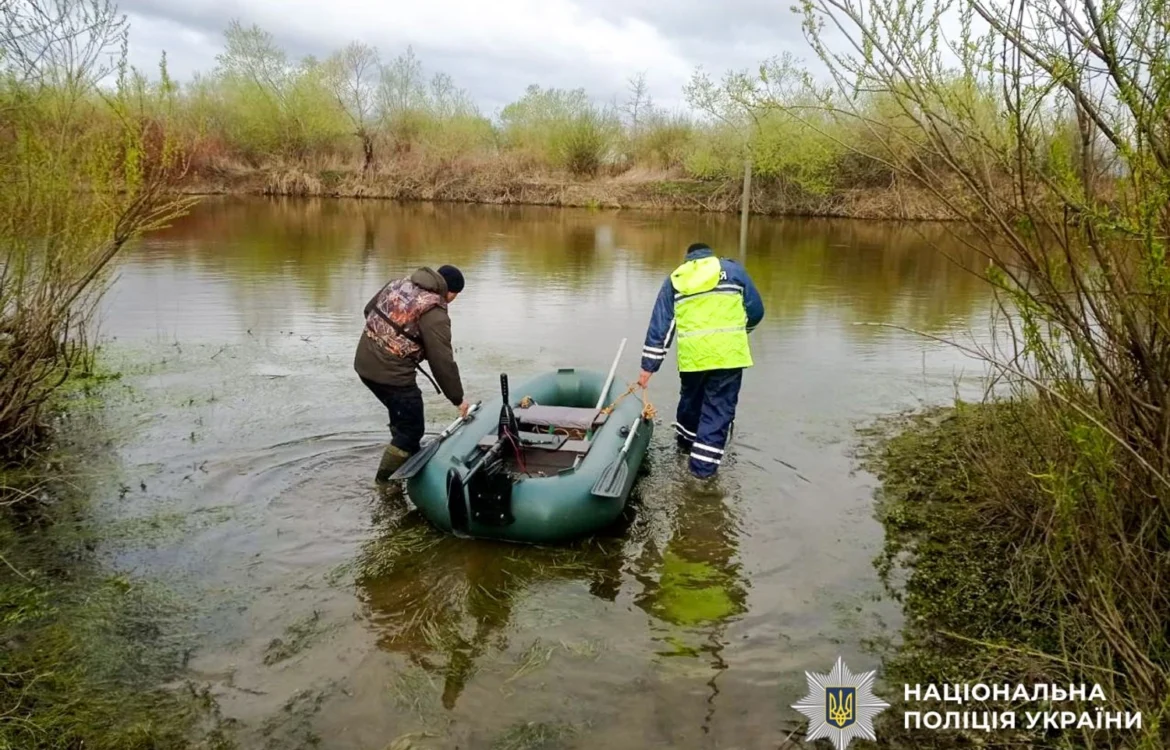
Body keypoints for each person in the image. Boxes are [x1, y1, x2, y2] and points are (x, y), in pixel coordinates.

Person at [637, 243, 764, 479]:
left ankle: (685, 447)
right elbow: (756, 311)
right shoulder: (734, 272)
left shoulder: (676, 280)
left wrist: (648, 367)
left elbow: (661, 327)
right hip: (729, 356)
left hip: (693, 358)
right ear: (711, 256)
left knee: (691, 402)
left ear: (688, 259)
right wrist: (740, 332)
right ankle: (701, 475)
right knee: (717, 411)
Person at [355, 264, 471, 483]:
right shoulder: (434, 312)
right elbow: (442, 362)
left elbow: (369, 310)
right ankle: (385, 484)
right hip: (391, 376)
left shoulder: (398, 284)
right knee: (411, 430)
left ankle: (402, 455)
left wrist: (394, 339)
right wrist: (458, 398)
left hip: (363, 363)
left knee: (403, 418)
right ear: (451, 292)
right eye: (455, 296)